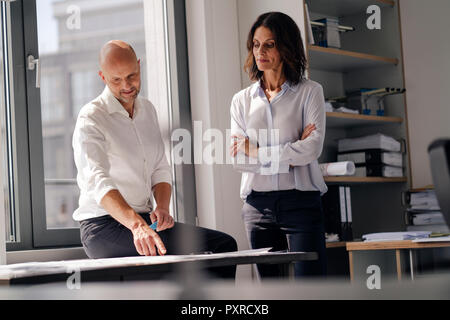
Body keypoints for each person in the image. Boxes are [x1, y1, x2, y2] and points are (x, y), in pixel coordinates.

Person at [73, 40, 237, 279]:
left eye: (132, 76)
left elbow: (160, 168)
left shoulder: (147, 110)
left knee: (223, 246)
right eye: (116, 80)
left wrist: (161, 207)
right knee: (168, 259)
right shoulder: (92, 117)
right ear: (102, 76)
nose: (127, 86)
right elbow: (98, 181)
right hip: (103, 227)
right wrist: (136, 226)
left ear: (139, 66)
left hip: (143, 220)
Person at [230, 12, 328, 279]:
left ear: (286, 47)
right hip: (257, 207)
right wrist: (292, 149)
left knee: (312, 287)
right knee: (272, 290)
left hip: (301, 203)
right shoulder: (241, 101)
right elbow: (238, 160)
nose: (260, 51)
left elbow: (312, 150)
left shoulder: (310, 92)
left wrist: (256, 150)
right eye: (256, 44)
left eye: (269, 44)